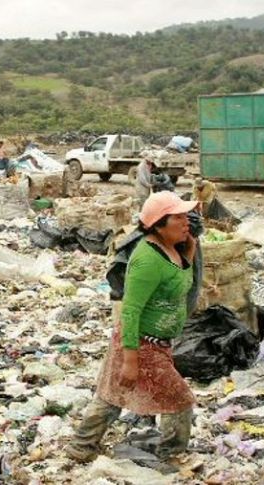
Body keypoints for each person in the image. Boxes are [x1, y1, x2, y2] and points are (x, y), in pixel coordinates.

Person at [65, 191, 200, 463]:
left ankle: (81, 446)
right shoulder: (146, 260)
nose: (186, 222)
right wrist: (130, 359)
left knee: (114, 395)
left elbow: (183, 280)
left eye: (187, 216)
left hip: (158, 344)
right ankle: (171, 453)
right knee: (179, 398)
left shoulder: (177, 248)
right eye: (178, 217)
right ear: (158, 224)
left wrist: (190, 248)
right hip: (139, 342)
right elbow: (131, 309)